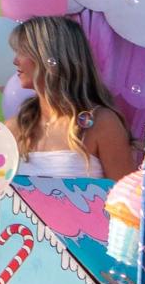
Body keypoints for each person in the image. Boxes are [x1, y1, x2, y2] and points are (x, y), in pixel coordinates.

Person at [8, 15, 133, 180]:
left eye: (23, 51)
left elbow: (127, 200)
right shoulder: (15, 127)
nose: (15, 61)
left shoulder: (102, 123)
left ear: (48, 56)